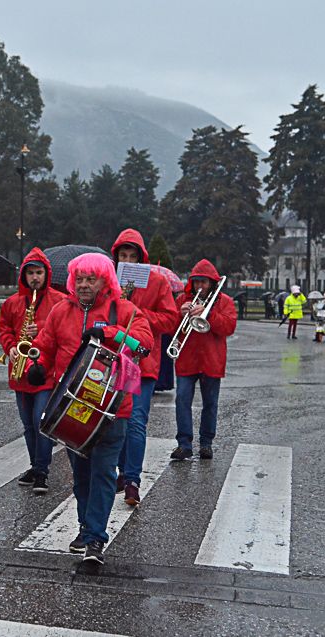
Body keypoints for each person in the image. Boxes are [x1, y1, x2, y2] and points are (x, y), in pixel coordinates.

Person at [28, 253, 152, 565]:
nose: (84, 285)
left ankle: (96, 539)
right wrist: (38, 365)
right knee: (81, 475)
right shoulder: (61, 311)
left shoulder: (123, 309)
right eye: (79, 279)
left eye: (91, 279)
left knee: (104, 473)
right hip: (73, 412)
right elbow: (44, 346)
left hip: (113, 410)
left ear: (104, 280)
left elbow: (144, 345)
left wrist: (109, 332)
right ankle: (86, 527)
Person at [111, 229, 179, 506]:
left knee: (136, 421)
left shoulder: (157, 281)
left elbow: (170, 320)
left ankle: (132, 480)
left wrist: (136, 312)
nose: (127, 260)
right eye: (123, 256)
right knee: (115, 419)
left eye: (132, 256)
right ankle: (120, 470)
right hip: (114, 359)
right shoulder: (109, 280)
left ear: (141, 258)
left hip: (142, 362)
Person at [0, 248, 65, 494]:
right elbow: (5, 328)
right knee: (27, 424)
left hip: (44, 371)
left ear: (46, 274)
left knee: (40, 421)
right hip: (20, 371)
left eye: (39, 272)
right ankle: (35, 464)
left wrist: (43, 330)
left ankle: (42, 471)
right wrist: (10, 347)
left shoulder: (59, 301)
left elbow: (64, 331)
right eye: (30, 273)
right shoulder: (12, 303)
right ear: (23, 276)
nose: (35, 278)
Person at [171, 259, 236, 461]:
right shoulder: (183, 299)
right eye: (197, 282)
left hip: (211, 360)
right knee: (182, 400)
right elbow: (170, 328)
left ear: (212, 283)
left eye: (205, 282)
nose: (200, 286)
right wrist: (178, 314)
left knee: (210, 403)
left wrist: (209, 315)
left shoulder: (224, 301)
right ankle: (184, 444)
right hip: (186, 360)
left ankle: (206, 444)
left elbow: (229, 328)